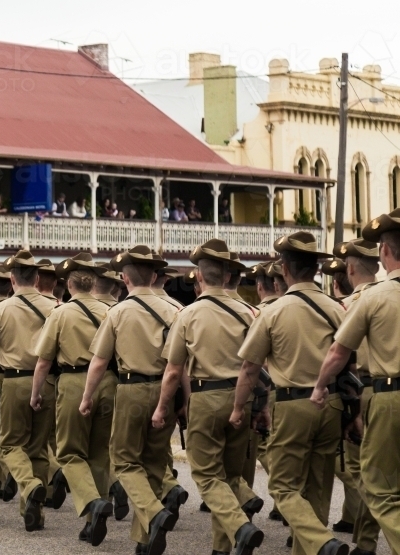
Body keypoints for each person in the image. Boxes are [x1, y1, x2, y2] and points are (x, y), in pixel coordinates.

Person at [232, 231, 348, 555]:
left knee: (283, 487)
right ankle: (313, 547)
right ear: (317, 270)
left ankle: (322, 542)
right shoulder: (338, 309)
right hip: (333, 400)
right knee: (318, 487)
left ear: (284, 270)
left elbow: (249, 369)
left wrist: (239, 407)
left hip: (294, 403)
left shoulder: (272, 311)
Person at [152, 240, 264, 555]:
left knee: (206, 474)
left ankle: (240, 526)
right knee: (229, 476)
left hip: (206, 397)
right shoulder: (250, 312)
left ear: (199, 278)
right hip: (240, 396)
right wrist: (247, 404)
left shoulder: (188, 314)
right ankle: (222, 547)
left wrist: (163, 408)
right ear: (228, 276)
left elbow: (174, 371)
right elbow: (255, 366)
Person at [81, 245, 182, 555]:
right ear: (154, 276)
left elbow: (99, 362)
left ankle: (153, 513)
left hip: (132, 388)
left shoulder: (118, 311)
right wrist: (183, 401)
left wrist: (87, 397)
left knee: (125, 461)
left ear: (124, 279)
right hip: (166, 388)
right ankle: (142, 538)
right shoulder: (176, 310)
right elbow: (181, 365)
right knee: (153, 463)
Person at [312, 210, 400, 555]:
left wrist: (320, 385)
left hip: (386, 394)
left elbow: (337, 352)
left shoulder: (374, 297)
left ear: (384, 252)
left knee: (377, 485)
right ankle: (364, 545)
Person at [0, 250, 57, 531]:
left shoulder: (1, 309)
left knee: (10, 445)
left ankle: (29, 486)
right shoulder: (55, 306)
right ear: (37, 278)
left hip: (15, 381)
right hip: (48, 381)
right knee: (39, 448)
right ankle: (35, 513)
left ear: (12, 279)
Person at [31, 253, 116, 545]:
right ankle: (94, 520)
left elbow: (43, 361)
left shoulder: (61, 312)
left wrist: (35, 393)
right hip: (110, 382)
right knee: (100, 453)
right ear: (93, 284)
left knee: (69, 452)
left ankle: (92, 501)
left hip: (73, 381)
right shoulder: (111, 310)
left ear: (68, 285)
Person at [328, 240, 383, 551]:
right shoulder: (390, 294)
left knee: (360, 470)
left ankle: (365, 541)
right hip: (385, 386)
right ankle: (364, 542)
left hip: (360, 391)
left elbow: (337, 354)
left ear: (349, 269)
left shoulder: (349, 305)